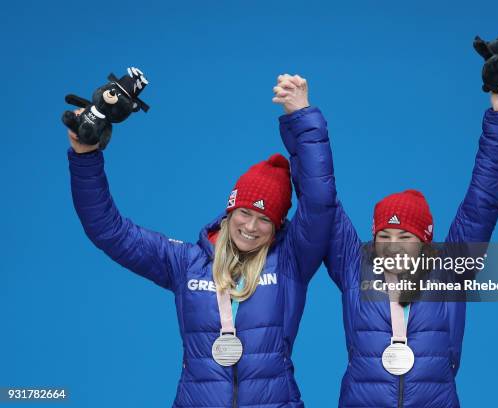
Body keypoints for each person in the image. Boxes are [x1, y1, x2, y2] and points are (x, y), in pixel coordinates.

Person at [67, 74, 336, 408]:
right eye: (244, 213)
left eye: (265, 219)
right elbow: (108, 230)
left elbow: (320, 200)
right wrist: (84, 154)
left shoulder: (291, 260)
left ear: (278, 225)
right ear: (229, 211)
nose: (251, 226)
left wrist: (302, 116)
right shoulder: (186, 262)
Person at [280, 78, 498, 407]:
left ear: (425, 240)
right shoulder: (356, 268)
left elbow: (483, 202)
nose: (392, 246)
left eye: (405, 237)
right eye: (384, 236)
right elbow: (319, 196)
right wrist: (302, 116)